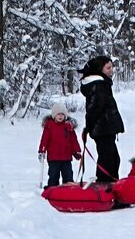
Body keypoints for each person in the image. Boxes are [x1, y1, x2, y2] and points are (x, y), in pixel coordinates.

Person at [79, 55, 125, 184]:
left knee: (113, 158)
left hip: (105, 128)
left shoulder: (100, 83)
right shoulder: (98, 84)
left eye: (112, 67)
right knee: (108, 159)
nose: (111, 70)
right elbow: (94, 107)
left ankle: (111, 185)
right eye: (108, 67)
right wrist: (90, 126)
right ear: (100, 69)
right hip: (102, 128)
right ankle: (105, 186)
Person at [38, 102, 81, 187]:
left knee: (68, 176)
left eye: (62, 114)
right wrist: (42, 151)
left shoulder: (68, 126)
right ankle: (52, 190)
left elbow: (73, 141)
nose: (60, 116)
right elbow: (44, 140)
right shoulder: (49, 126)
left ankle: (68, 191)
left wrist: (76, 151)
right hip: (54, 158)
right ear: (54, 115)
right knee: (53, 176)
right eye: (58, 114)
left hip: (66, 158)